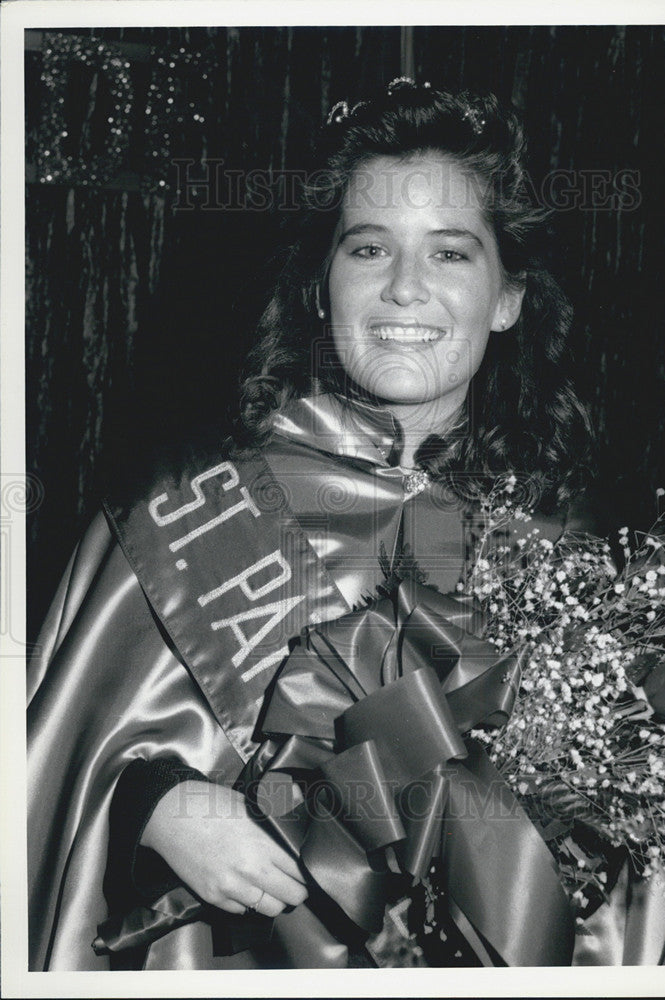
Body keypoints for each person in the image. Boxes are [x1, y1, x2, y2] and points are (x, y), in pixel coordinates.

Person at [27, 78, 615, 972]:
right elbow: (50, 771)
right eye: (369, 247)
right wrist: (152, 805)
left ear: (509, 297)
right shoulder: (182, 502)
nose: (406, 289)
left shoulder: (562, 549)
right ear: (320, 284)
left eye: (451, 254)